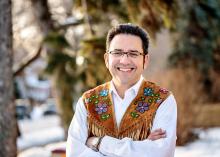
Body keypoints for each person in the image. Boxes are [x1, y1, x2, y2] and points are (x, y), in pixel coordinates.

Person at [66, 23, 177, 157]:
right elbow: (74, 153)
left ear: (145, 60)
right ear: (107, 59)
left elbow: (159, 153)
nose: (124, 60)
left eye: (133, 53)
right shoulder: (88, 102)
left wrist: (100, 143)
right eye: (117, 52)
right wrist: (141, 147)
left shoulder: (162, 100)